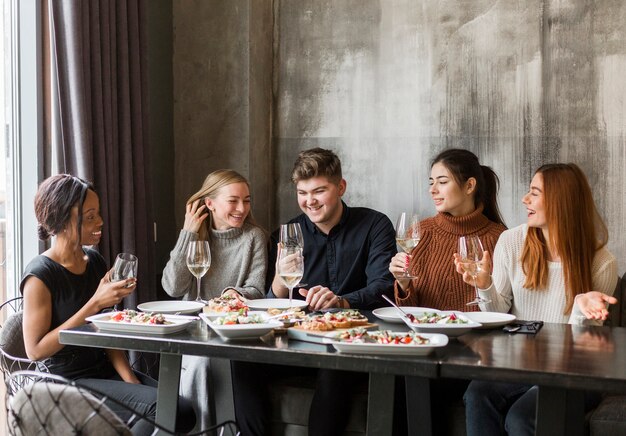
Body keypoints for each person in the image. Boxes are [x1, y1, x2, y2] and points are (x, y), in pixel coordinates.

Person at [232, 147, 397, 436]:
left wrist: (343, 301)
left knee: (334, 366)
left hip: (349, 342)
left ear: (341, 187)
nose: (310, 201)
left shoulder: (374, 225)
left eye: (319, 191)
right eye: (302, 192)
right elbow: (273, 304)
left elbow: (383, 288)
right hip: (297, 341)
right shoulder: (288, 233)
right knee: (241, 363)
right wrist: (280, 280)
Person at [21, 174, 195, 435]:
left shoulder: (94, 261)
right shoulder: (40, 275)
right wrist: (94, 304)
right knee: (160, 410)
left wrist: (130, 380)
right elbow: (35, 350)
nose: (100, 222)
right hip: (65, 382)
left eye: (98, 213)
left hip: (102, 370)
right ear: (64, 220)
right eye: (90, 216)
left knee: (182, 410)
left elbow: (106, 334)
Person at [458, 163, 618, 436]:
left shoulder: (601, 262)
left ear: (560, 201)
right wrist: (485, 286)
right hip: (521, 363)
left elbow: (584, 349)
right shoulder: (511, 241)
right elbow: (498, 312)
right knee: (477, 393)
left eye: (534, 193)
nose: (525, 199)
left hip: (574, 372)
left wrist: (580, 307)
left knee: (522, 417)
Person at [161, 169, 267, 431]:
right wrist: (187, 233)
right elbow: (173, 288)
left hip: (232, 330)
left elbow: (256, 288)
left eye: (247, 200)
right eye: (233, 200)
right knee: (201, 360)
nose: (241, 208)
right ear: (210, 203)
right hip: (192, 331)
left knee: (212, 360)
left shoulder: (254, 237)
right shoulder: (195, 237)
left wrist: (235, 294)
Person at [389, 148, 507, 311]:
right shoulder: (420, 233)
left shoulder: (500, 238)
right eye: (431, 182)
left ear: (469, 186)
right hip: (427, 335)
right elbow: (409, 314)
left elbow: (503, 310)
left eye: (442, 182)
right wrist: (403, 283)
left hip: (481, 336)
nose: (432, 189)